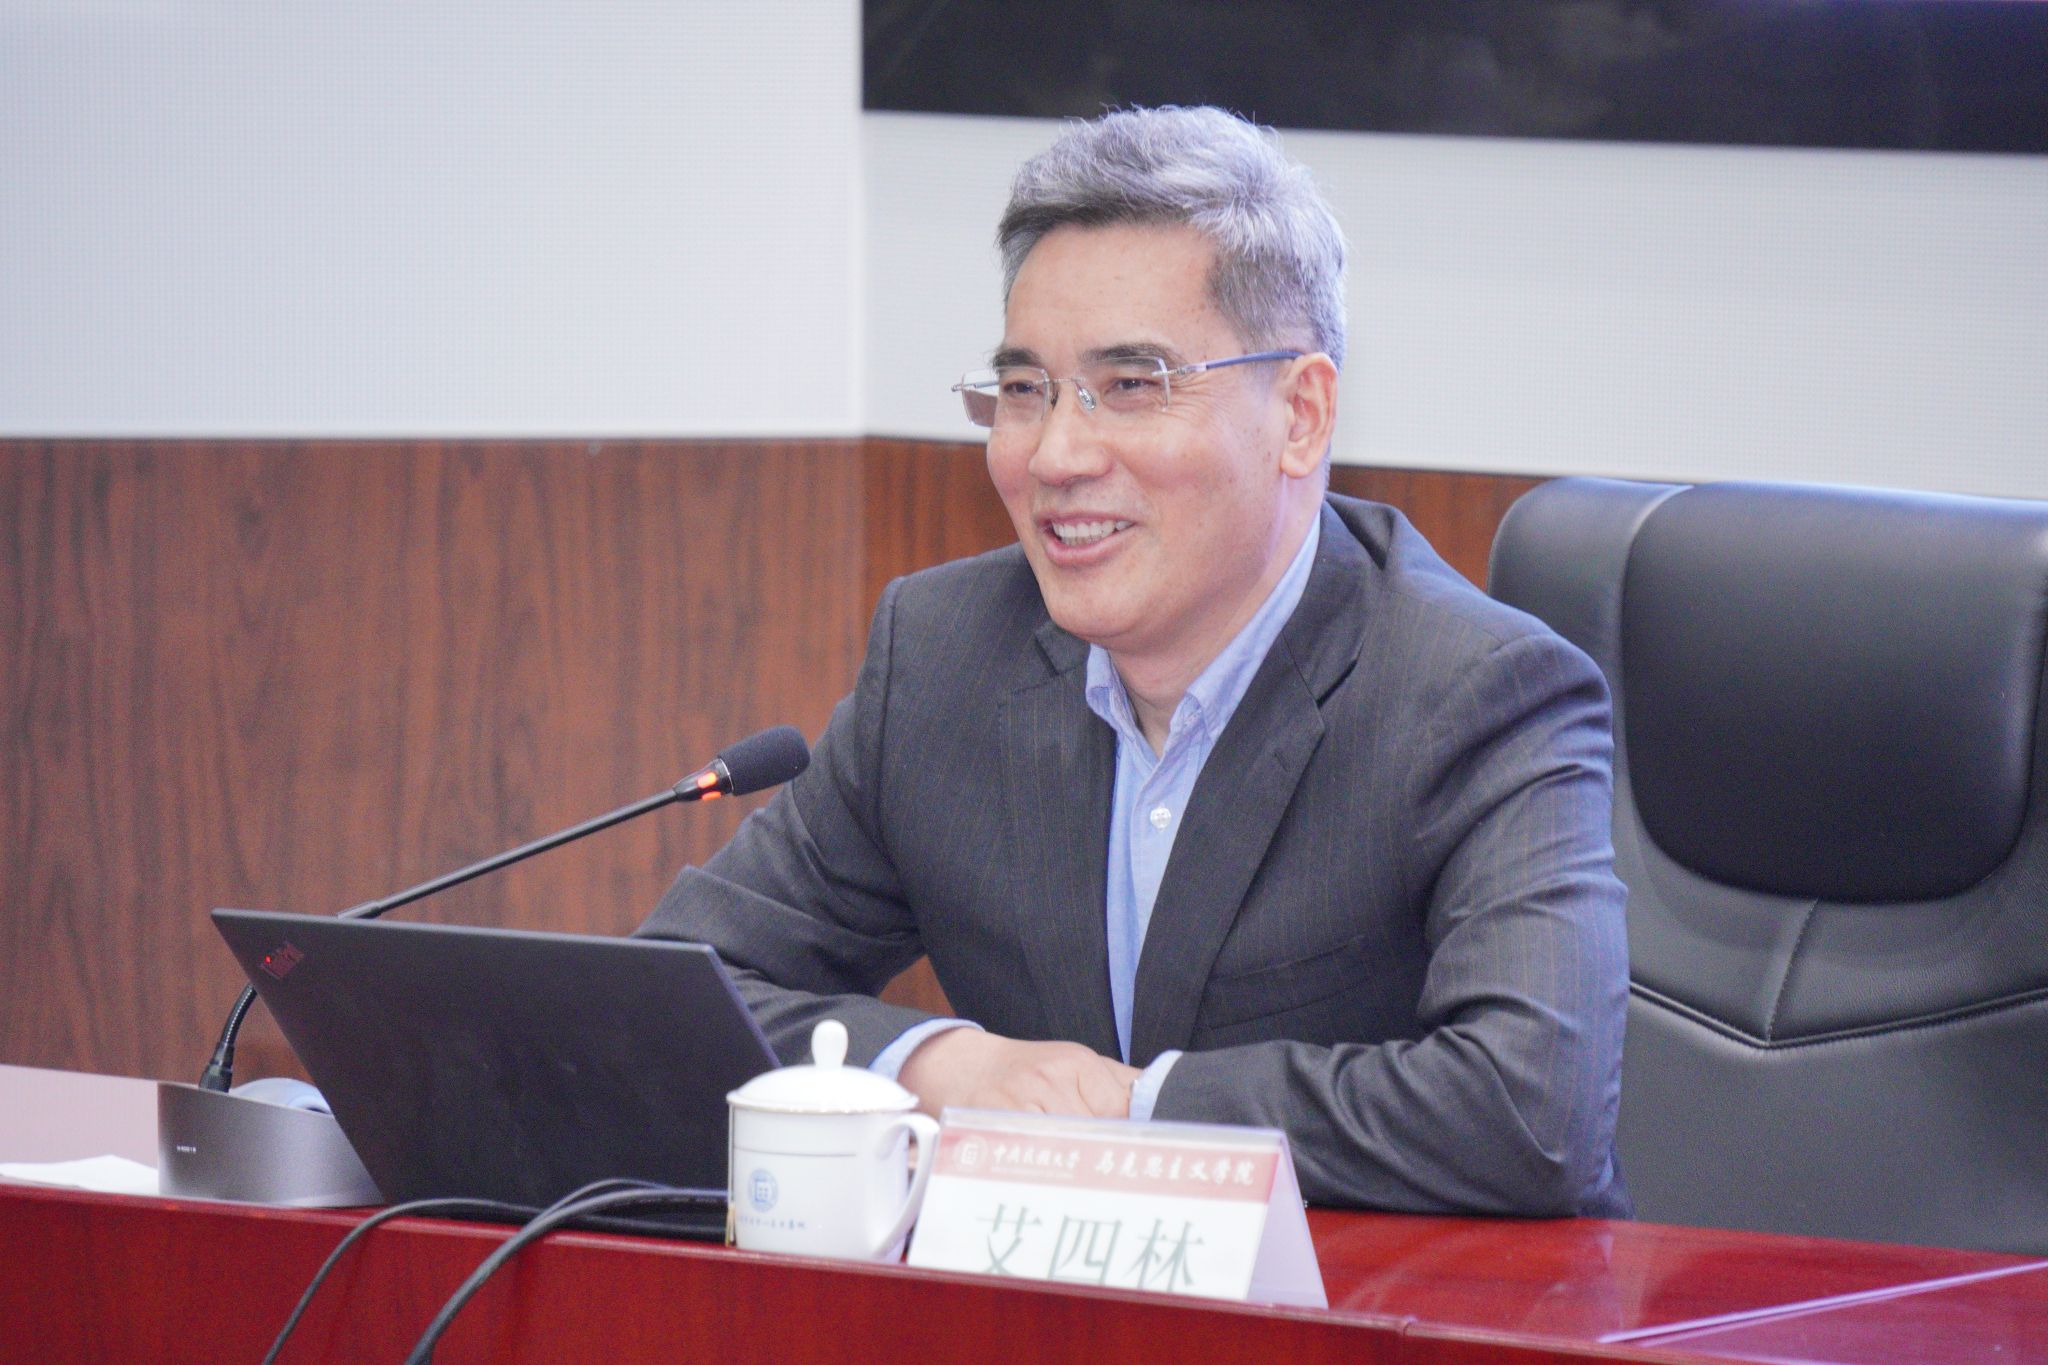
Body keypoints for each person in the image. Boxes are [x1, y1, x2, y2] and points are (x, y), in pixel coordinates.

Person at [639, 105, 1630, 1217]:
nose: (1057, 455)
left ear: (1300, 415)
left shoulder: (1474, 693)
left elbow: (1529, 1112)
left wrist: (1134, 1111)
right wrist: (941, 1065)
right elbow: (674, 995)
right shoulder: (944, 656)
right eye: (1025, 391)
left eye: (1133, 385)